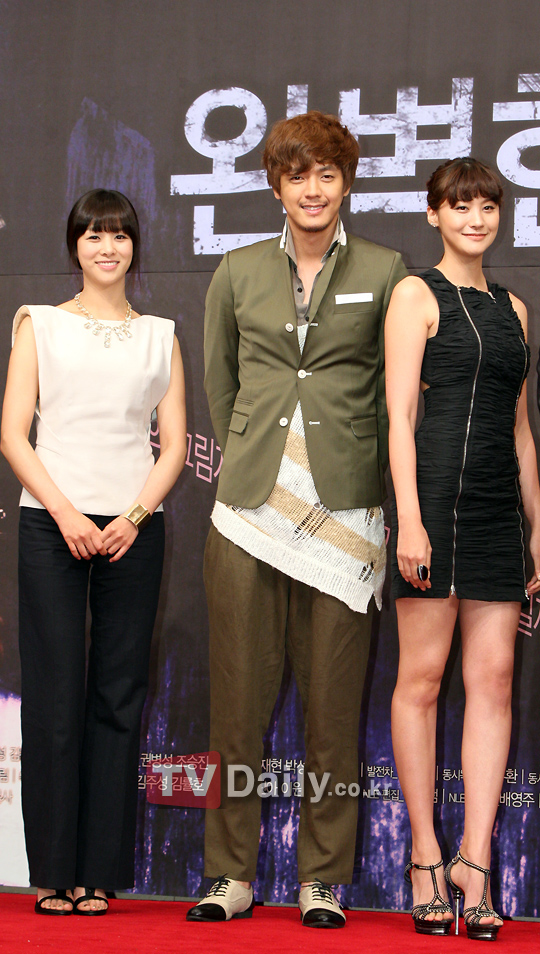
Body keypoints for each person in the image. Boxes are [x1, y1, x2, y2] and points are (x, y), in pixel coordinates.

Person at [186, 111, 407, 927]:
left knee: (333, 710)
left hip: (345, 515)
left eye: (327, 174)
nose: (313, 189)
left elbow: (390, 393)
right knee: (237, 705)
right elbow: (222, 383)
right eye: (297, 175)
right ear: (275, 185)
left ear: (345, 183)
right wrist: (260, 465)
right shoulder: (238, 270)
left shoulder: (385, 269)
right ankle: (229, 874)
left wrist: (360, 482)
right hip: (249, 513)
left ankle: (322, 879)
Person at [0, 189, 186, 915]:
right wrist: (66, 512)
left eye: (119, 236)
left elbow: (174, 446)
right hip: (52, 523)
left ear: (135, 246)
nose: (107, 248)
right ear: (74, 246)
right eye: (93, 236)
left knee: (118, 694)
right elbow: (14, 434)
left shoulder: (160, 335)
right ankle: (52, 870)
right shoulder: (38, 324)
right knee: (53, 695)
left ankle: (100, 871)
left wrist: (134, 515)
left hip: (134, 529)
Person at [385, 158, 540, 941]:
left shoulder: (514, 307)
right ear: (434, 215)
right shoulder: (416, 295)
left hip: (494, 515)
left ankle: (474, 864)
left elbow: (520, 428)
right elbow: (399, 417)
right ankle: (423, 856)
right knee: (420, 680)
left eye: (487, 207)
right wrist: (409, 520)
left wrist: (537, 523)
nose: (475, 219)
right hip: (434, 506)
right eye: (460, 206)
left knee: (495, 682)